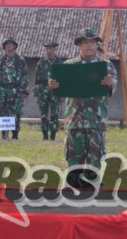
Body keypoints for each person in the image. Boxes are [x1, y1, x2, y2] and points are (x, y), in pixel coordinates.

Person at [48, 28, 116, 189]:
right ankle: (73, 185)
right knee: (73, 155)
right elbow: (59, 89)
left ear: (96, 45)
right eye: (85, 42)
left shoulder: (105, 66)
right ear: (79, 45)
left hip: (96, 119)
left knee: (95, 155)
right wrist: (53, 85)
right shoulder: (68, 66)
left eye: (92, 42)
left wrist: (109, 83)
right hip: (75, 118)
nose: (89, 46)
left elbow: (112, 89)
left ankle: (93, 184)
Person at [0, 38, 29, 140]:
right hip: (3, 90)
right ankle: (4, 135)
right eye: (6, 44)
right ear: (4, 47)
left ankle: (15, 134)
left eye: (11, 44)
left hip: (16, 90)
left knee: (16, 112)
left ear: (15, 46)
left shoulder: (21, 60)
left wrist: (24, 91)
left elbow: (25, 76)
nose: (8, 46)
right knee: (2, 112)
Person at [34, 40, 63, 141]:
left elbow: (63, 80)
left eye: (51, 48)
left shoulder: (60, 63)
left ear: (54, 49)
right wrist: (37, 95)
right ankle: (45, 135)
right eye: (47, 48)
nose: (49, 50)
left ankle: (53, 135)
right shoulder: (41, 63)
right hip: (43, 91)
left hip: (56, 91)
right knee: (43, 114)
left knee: (55, 114)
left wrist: (62, 94)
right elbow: (37, 80)